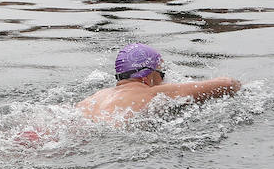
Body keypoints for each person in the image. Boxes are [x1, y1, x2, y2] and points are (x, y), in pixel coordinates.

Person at [76, 43, 241, 122]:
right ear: (148, 76)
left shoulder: (95, 98)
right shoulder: (151, 93)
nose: (164, 81)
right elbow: (228, 84)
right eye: (162, 74)